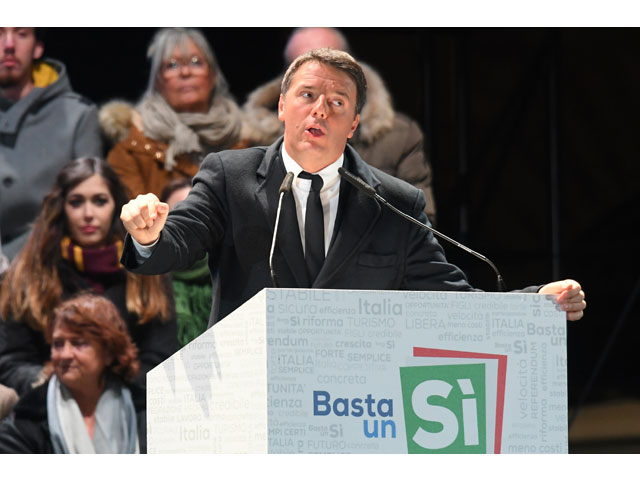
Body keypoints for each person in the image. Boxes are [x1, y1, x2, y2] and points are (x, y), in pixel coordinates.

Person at [119, 48, 586, 328]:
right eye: (307, 96)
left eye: (336, 102)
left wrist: (534, 304)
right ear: (282, 106)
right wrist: (148, 235)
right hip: (254, 399)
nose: (319, 110)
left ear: (355, 122)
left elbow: (453, 303)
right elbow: (174, 246)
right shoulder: (230, 175)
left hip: (356, 405)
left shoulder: (394, 203)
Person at [0, 157, 177, 400]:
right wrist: (57, 384)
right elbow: (12, 360)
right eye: (76, 202)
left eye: (100, 201)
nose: (88, 214)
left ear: (116, 206)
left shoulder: (147, 270)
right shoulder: (30, 271)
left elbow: (159, 356)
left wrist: (109, 390)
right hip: (48, 404)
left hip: (132, 404)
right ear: (62, 207)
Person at [242, 27, 438, 223]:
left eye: (333, 68)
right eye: (309, 91)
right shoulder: (250, 141)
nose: (320, 109)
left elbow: (421, 225)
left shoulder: (400, 136)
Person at [101, 27, 245, 199]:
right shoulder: (131, 145)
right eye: (172, 65)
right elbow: (132, 220)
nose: (185, 72)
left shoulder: (244, 137)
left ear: (213, 74)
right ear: (157, 80)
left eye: (196, 62)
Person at [0, 27, 103, 260]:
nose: (8, 45)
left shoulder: (76, 116)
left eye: (21, 34)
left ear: (38, 47)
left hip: (48, 267)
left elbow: (90, 208)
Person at [0, 294, 144, 453]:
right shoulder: (26, 420)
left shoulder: (145, 411)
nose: (65, 354)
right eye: (58, 344)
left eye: (79, 344)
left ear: (109, 352)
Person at [160, 178, 212, 347]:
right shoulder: (153, 279)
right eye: (179, 211)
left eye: (197, 210)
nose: (189, 220)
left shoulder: (230, 270)